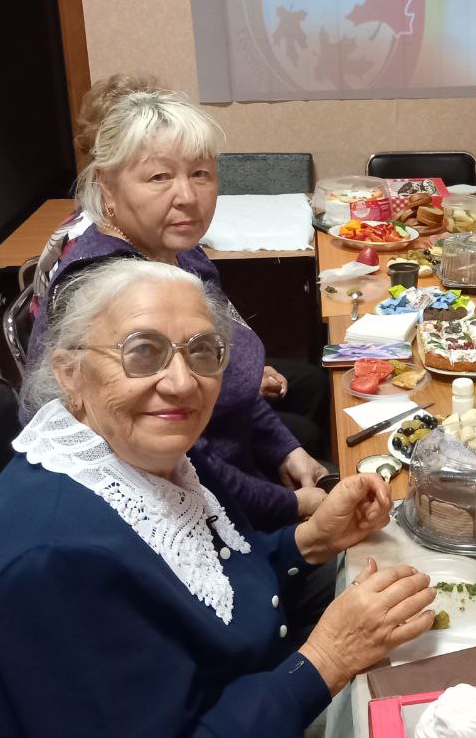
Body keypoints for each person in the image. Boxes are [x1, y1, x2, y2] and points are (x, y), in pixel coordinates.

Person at [0, 259, 436, 736]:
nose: (182, 382)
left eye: (202, 351)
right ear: (69, 372)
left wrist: (309, 541)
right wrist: (328, 658)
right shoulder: (58, 561)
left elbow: (210, 577)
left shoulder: (138, 455)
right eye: (142, 352)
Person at [24, 85, 328, 528]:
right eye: (159, 177)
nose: (186, 196)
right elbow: (187, 464)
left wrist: (285, 447)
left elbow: (224, 378)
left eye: (200, 174)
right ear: (106, 185)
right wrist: (295, 507)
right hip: (164, 509)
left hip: (214, 454)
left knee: (314, 432)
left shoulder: (178, 250)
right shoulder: (112, 286)